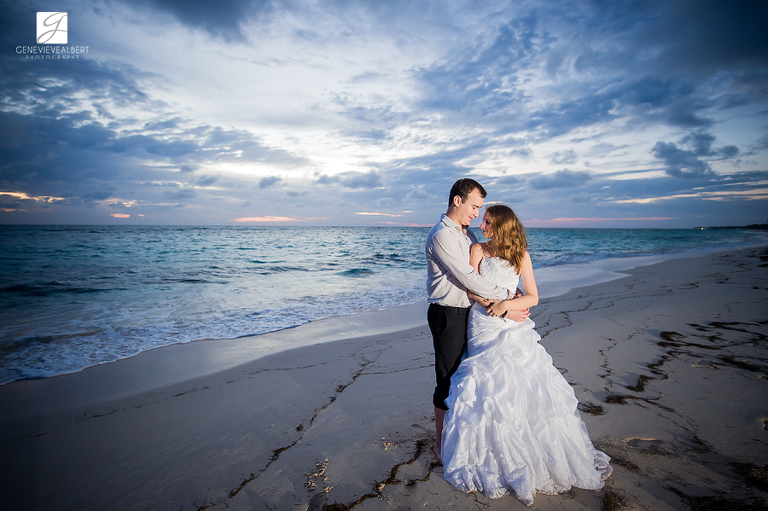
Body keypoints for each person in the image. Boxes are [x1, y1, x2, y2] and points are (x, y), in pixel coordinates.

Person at [440, 204, 612, 506]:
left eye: (488, 222)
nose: (483, 226)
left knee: (521, 377)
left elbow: (533, 295)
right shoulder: (478, 250)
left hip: (512, 321)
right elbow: (470, 290)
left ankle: (525, 450)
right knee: (485, 381)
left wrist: (508, 307)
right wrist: (494, 304)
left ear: (503, 226)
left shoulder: (521, 256)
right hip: (482, 322)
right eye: (482, 220)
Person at [425, 178, 520, 461]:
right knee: (447, 379)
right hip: (448, 313)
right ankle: (440, 445)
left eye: (480, 209)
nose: (477, 214)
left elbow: (484, 273)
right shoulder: (442, 235)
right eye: (474, 206)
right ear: (458, 200)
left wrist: (514, 292)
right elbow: (468, 278)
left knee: (468, 378)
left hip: (471, 313)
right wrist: (507, 298)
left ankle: (463, 437)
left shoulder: (467, 235)